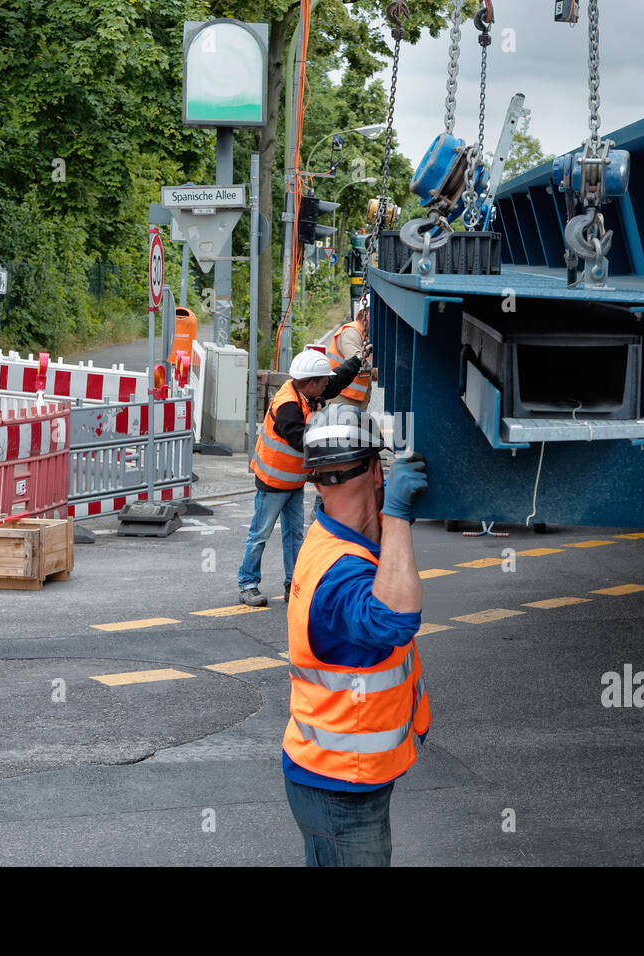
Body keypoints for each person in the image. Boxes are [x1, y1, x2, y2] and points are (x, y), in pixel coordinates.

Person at [282, 404, 430, 866]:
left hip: (335, 775)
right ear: (374, 467)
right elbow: (395, 620)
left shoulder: (334, 538)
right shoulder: (339, 574)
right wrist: (400, 512)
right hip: (340, 785)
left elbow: (380, 548)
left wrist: (393, 517)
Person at [238, 347, 365, 607]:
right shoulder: (288, 406)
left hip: (293, 481)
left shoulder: (307, 392)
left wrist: (357, 360)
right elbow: (302, 440)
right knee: (260, 534)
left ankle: (293, 584)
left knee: (294, 534)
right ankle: (248, 584)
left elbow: (336, 380)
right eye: (322, 381)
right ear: (310, 383)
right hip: (273, 483)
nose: (327, 385)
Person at [324, 311, 374, 409]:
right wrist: (377, 371)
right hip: (341, 396)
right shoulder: (351, 332)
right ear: (364, 314)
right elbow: (356, 361)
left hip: (354, 397)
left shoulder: (366, 335)